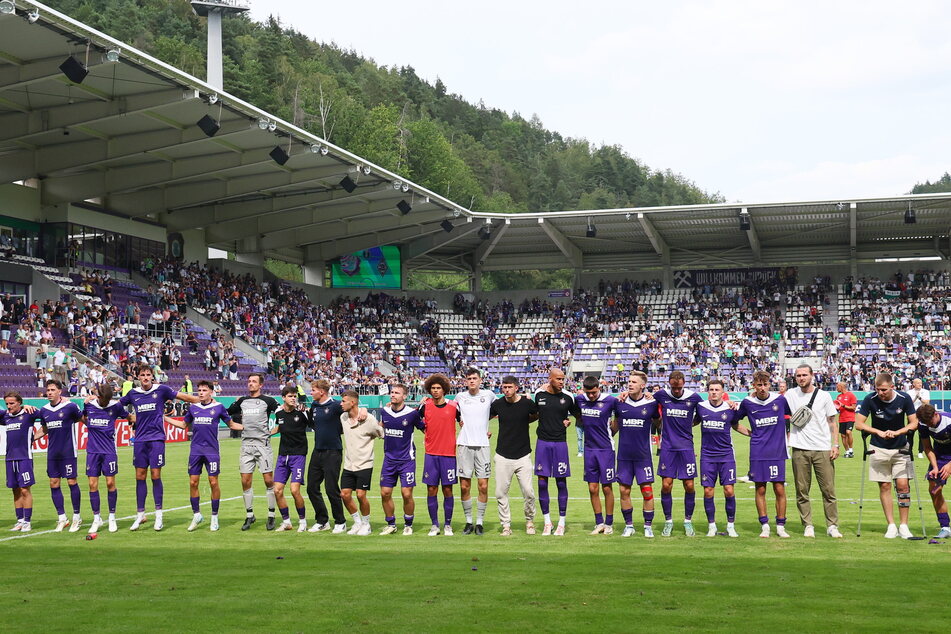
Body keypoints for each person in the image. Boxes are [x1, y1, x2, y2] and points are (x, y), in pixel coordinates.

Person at [120, 364, 199, 531]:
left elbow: (182, 397)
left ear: (152, 376)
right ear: (138, 377)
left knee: (155, 475)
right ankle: (140, 515)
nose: (146, 377)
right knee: (140, 476)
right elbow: (116, 406)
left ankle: (159, 515)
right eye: (143, 375)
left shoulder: (161, 390)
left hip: (156, 439)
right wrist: (128, 416)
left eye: (148, 374)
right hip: (140, 440)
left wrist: (200, 400)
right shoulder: (133, 394)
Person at [164, 380, 241, 532]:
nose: (200, 392)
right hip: (195, 451)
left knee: (213, 482)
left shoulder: (218, 408)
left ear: (211, 392)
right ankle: (197, 515)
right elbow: (183, 425)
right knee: (193, 483)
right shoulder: (194, 408)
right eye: (199, 390)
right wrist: (164, 418)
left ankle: (214, 517)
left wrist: (251, 428)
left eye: (204, 390)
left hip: (212, 451)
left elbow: (232, 425)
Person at [854, 373, 919, 539]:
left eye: (883, 389)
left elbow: (914, 423)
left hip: (901, 447)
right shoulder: (870, 399)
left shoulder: (904, 398)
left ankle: (904, 526)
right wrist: (879, 432)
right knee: (885, 486)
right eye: (878, 389)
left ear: (892, 386)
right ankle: (891, 525)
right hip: (878, 447)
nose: (880, 393)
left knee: (903, 486)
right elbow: (859, 424)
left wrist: (897, 432)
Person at [786, 364, 842, 538]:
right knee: (802, 490)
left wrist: (835, 444)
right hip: (799, 449)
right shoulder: (790, 394)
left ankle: (832, 525)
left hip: (822, 448)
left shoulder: (824, 395)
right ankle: (807, 524)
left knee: (828, 491)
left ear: (812, 376)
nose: (801, 378)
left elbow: (832, 421)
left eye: (804, 375)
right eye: (798, 375)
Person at [736, 370, 793, 538]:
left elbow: (792, 417)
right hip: (758, 451)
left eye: (765, 384)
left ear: (769, 385)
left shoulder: (780, 400)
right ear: (754, 385)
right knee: (760, 488)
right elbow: (734, 422)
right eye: (758, 385)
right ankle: (765, 525)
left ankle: (781, 526)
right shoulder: (747, 403)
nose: (762, 388)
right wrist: (749, 433)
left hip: (777, 452)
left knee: (779, 488)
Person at [653, 371, 704, 537]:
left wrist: (690, 424)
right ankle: (668, 521)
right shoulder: (661, 395)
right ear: (669, 384)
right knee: (666, 485)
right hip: (668, 447)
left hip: (686, 447)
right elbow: (645, 402)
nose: (676, 391)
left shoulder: (694, 398)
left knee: (689, 485)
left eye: (679, 387)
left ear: (684, 384)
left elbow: (705, 412)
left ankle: (687, 521)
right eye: (673, 388)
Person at [696, 378, 749, 538]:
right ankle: (711, 526)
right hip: (707, 455)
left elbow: (736, 425)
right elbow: (691, 423)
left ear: (723, 392)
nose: (714, 392)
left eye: (717, 390)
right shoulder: (700, 407)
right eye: (711, 390)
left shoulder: (731, 408)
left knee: (729, 490)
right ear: (707, 392)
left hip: (726, 455)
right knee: (708, 491)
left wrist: (754, 435)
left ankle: (730, 526)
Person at [227, 373, 280, 531]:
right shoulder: (242, 401)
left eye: (254, 381)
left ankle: (271, 515)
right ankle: (250, 515)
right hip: (246, 446)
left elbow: (282, 415)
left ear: (261, 385)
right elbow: (227, 413)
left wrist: (272, 432)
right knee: (245, 481)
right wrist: (233, 405)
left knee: (268, 480)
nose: (250, 384)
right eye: (249, 381)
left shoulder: (268, 401)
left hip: (262, 446)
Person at [612, 371, 660, 538]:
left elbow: (658, 422)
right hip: (624, 456)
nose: (630, 384)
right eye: (629, 381)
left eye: (634, 382)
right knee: (624, 491)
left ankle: (648, 526)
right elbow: (614, 427)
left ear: (642, 385)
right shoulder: (619, 403)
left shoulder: (651, 405)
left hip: (643, 456)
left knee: (647, 491)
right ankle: (629, 525)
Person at [490, 375, 538, 536]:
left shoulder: (526, 403)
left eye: (509, 387)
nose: (506, 390)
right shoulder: (497, 404)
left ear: (516, 387)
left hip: (523, 455)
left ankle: (530, 521)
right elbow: (483, 418)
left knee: (528, 491)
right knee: (500, 493)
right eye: (504, 387)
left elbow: (539, 413)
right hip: (503, 455)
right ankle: (505, 525)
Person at [534, 368, 580, 536]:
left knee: (561, 482)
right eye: (558, 379)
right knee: (541, 482)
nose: (562, 382)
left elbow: (579, 415)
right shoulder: (539, 395)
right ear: (550, 379)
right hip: (542, 443)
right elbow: (533, 414)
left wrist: (569, 422)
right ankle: (547, 522)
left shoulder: (568, 397)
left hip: (560, 443)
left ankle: (561, 522)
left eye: (563, 379)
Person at [377, 383, 425, 535]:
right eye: (392, 392)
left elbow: (425, 429)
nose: (393, 395)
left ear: (404, 396)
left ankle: (408, 524)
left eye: (397, 393)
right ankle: (391, 524)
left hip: (406, 460)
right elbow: (380, 428)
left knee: (406, 493)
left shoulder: (412, 414)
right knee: (385, 493)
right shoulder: (384, 411)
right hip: (389, 460)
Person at [38, 380, 84, 532]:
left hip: (68, 452)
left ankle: (77, 517)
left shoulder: (70, 407)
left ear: (60, 391)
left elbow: (82, 419)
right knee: (54, 483)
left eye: (52, 390)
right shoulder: (43, 410)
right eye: (48, 390)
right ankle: (62, 518)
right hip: (52, 454)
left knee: (71, 482)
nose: (49, 392)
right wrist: (31, 439)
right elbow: (44, 429)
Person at [575, 375, 618, 535]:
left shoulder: (610, 401)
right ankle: (598, 522)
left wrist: (611, 432)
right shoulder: (580, 400)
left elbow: (619, 417)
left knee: (607, 487)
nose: (591, 396)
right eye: (588, 393)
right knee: (593, 488)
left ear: (599, 388)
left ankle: (609, 523)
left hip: (606, 449)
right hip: (589, 450)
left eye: (594, 392)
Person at [419, 373, 461, 536]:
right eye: (433, 388)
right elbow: (414, 420)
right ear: (429, 390)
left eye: (438, 388)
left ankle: (448, 525)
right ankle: (435, 525)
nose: (435, 391)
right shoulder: (425, 405)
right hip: (431, 454)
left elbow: (464, 422)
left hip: (449, 454)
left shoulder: (454, 406)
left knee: (448, 490)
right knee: (431, 490)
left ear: (444, 390)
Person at [82, 384, 126, 533]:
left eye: (109, 399)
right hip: (93, 452)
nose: (107, 402)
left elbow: (129, 417)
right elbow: (82, 417)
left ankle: (112, 517)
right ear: (99, 396)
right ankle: (97, 518)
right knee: (92, 485)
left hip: (109, 451)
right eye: (104, 400)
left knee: (110, 483)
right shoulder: (89, 405)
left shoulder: (116, 407)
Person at [455, 368, 493, 535]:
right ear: (465, 381)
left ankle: (479, 522)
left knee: (483, 486)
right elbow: (447, 409)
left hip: (483, 445)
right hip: (464, 445)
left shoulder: (489, 395)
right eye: (469, 378)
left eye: (474, 378)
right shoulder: (460, 397)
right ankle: (468, 521)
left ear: (480, 380)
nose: (472, 381)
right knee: (464, 486)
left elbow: (506, 405)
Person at [305, 379, 345, 533]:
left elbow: (351, 413)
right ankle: (322, 521)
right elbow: (313, 425)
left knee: (331, 489)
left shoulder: (335, 405)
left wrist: (361, 412)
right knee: (311, 488)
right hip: (317, 451)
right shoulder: (314, 406)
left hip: (333, 451)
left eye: (313, 390)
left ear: (322, 391)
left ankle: (340, 521)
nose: (311, 392)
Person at [340, 390, 381, 536]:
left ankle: (366, 524)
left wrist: (364, 411)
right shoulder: (343, 417)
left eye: (344, 401)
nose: (341, 403)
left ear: (353, 402)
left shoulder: (368, 419)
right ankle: (357, 522)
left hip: (364, 463)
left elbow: (381, 433)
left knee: (360, 495)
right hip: (348, 464)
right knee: (344, 495)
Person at [270, 387, 309, 533]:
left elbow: (313, 423)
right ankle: (286, 522)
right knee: (277, 490)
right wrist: (268, 433)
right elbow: (280, 427)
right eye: (290, 396)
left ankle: (302, 521)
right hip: (282, 456)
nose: (293, 398)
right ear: (283, 398)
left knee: (294, 490)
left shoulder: (302, 411)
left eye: (295, 396)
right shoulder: (279, 412)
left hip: (298, 455)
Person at [2, 392, 42, 532]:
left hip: (25, 457)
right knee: (15, 490)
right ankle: (19, 520)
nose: (9, 406)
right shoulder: (5, 416)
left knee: (25, 489)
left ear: (19, 402)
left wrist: (35, 437)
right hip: (9, 459)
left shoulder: (29, 413)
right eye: (7, 403)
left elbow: (48, 417)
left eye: (12, 403)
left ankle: (27, 521)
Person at [915, 404, 951, 538]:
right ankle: (945, 527)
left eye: (931, 422)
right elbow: (927, 447)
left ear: (936, 414)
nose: (929, 425)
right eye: (926, 423)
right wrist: (935, 467)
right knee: (934, 489)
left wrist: (949, 466)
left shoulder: (949, 421)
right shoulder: (923, 424)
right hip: (940, 455)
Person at [907, 378, 930, 458]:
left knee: (922, 433)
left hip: (922, 414)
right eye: (918, 383)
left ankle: (920, 451)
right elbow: (908, 403)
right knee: (910, 433)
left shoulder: (926, 391)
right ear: (914, 384)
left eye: (920, 383)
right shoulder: (909, 392)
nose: (920, 384)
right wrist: (915, 398)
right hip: (912, 414)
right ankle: (909, 450)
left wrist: (919, 397)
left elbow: (927, 402)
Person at [834, 382, 857, 458]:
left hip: (850, 417)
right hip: (842, 418)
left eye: (837, 387)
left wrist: (843, 405)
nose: (836, 388)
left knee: (848, 432)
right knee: (843, 435)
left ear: (842, 387)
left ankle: (851, 450)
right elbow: (838, 408)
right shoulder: (839, 396)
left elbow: (853, 407)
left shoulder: (851, 395)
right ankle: (847, 451)